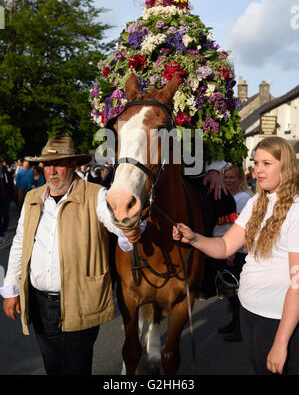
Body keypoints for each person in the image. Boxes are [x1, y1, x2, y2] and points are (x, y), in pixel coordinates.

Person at [0, 135, 142, 375]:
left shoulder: (95, 195)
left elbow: (116, 222)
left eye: (60, 164)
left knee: (76, 368)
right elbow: (20, 244)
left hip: (80, 301)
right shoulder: (33, 198)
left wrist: (130, 229)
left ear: (74, 165)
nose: (52, 171)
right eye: (47, 165)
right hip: (40, 303)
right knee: (53, 367)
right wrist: (11, 288)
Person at [173, 137, 299, 375]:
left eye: (266, 163)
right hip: (249, 312)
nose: (258, 170)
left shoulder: (296, 210)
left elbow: (297, 285)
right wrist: (194, 238)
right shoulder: (255, 203)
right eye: (256, 163)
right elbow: (224, 246)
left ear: (286, 166)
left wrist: (281, 342)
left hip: (276, 320)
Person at [217, 165, 252, 342]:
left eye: (232, 177)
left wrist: (231, 252)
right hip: (229, 247)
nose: (229, 180)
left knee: (237, 291)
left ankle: (240, 329)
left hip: (238, 251)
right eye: (226, 177)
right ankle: (234, 322)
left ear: (240, 180)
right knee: (230, 291)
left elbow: (239, 228)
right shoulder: (227, 196)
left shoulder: (243, 198)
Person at [0, 158, 14, 241]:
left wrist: (10, 193)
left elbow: (11, 183)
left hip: (6, 198)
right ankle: (1, 233)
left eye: (1, 162)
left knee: (6, 216)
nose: (1, 164)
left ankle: (4, 230)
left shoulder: (6, 172)